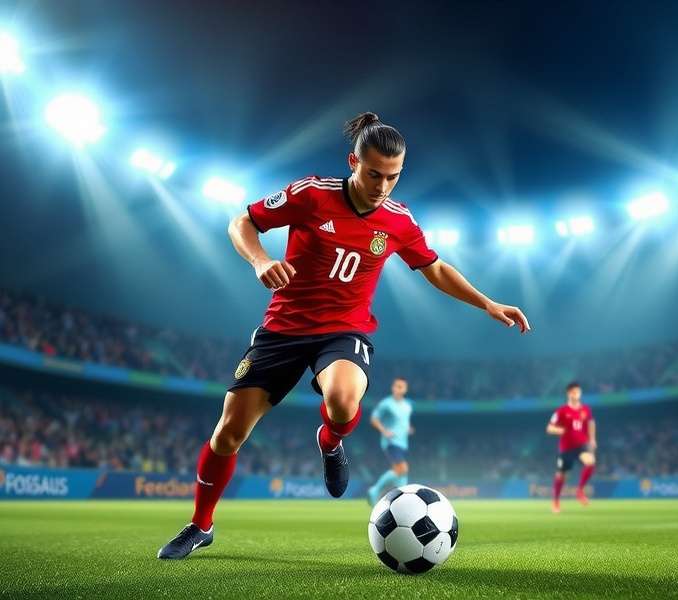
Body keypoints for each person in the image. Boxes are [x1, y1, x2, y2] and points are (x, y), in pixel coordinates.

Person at [157, 112, 531, 559]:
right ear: (353, 161)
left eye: (393, 176)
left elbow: (435, 268)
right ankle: (201, 525)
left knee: (342, 400)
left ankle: (330, 440)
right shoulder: (311, 194)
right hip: (283, 328)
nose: (383, 185)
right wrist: (259, 260)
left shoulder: (398, 220)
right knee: (228, 434)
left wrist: (487, 302)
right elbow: (243, 223)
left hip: (344, 329)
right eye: (374, 173)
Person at [546, 381, 596, 513]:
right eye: (574, 392)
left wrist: (592, 439)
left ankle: (580, 491)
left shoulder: (586, 409)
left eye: (579, 392)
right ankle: (556, 501)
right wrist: (559, 431)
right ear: (569, 394)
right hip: (566, 448)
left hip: (582, 445)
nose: (577, 394)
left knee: (590, 461)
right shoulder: (561, 411)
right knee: (561, 475)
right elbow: (549, 428)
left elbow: (591, 423)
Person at [367, 377, 413, 504]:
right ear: (392, 388)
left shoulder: (407, 406)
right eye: (396, 386)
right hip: (391, 441)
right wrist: (384, 430)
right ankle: (375, 489)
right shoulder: (386, 404)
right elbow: (374, 419)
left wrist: (408, 428)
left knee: (400, 473)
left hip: (403, 443)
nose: (398, 389)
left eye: (401, 387)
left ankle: (400, 498)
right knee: (403, 468)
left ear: (405, 389)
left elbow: (403, 422)